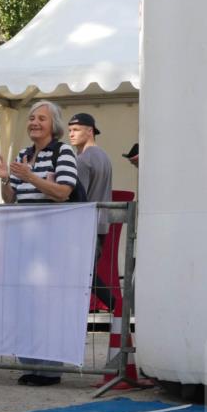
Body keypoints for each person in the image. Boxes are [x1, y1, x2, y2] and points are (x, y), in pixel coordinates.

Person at [0, 100, 79, 386]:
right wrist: (5, 180)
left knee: (47, 305)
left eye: (41, 119)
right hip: (24, 240)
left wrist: (30, 177)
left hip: (53, 241)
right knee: (24, 303)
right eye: (32, 118)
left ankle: (49, 369)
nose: (34, 122)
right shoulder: (24, 154)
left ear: (54, 125)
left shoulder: (64, 152)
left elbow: (63, 191)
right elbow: (11, 198)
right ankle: (31, 363)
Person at [68, 112, 114, 311]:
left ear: (90, 131)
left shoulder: (83, 159)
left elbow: (79, 196)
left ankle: (114, 303)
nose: (71, 134)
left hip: (86, 223)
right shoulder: (104, 155)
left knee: (82, 271)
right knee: (86, 270)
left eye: (76, 130)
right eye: (69, 130)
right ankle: (113, 304)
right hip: (103, 222)